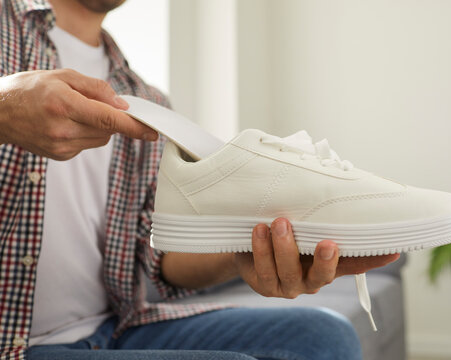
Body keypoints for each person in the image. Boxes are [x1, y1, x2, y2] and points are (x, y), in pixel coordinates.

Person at [0, 0, 400, 359]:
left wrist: (248, 248)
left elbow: (159, 258)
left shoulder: (145, 99)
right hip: (12, 342)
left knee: (322, 335)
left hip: (112, 327)